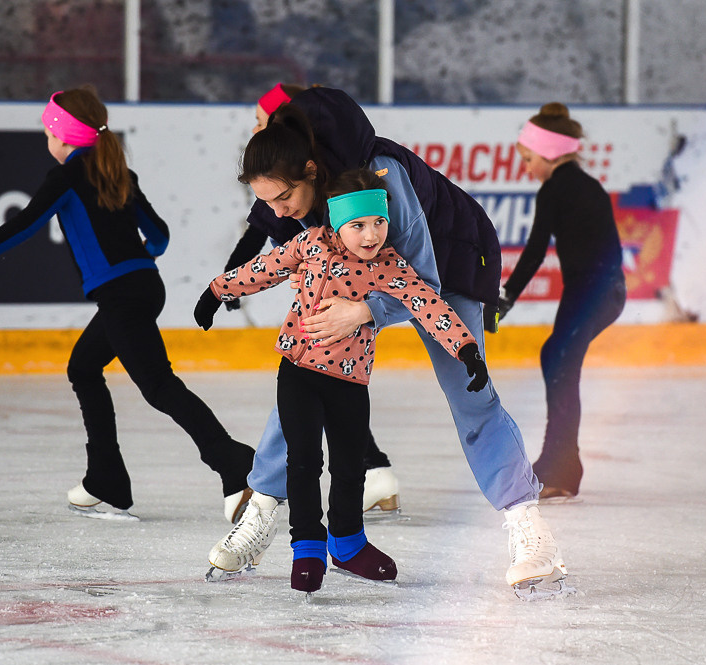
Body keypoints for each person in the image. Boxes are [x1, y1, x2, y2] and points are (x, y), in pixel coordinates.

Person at [207, 87, 572, 598]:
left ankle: (529, 530)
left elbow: (424, 280)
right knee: (306, 371)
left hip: (450, 267)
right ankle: (264, 511)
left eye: (285, 199)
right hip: (368, 281)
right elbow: (272, 239)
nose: (281, 212)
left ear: (310, 171)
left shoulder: (382, 172)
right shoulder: (290, 188)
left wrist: (364, 311)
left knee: (470, 392)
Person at [0, 86, 254, 522]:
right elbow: (158, 234)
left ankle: (233, 464)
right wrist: (138, 259)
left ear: (62, 137)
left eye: (48, 132)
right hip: (142, 286)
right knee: (83, 368)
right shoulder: (119, 173)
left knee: (159, 386)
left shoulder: (66, 178)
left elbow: (24, 224)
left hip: (122, 295)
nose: (47, 139)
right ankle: (106, 480)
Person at [197, 168, 489, 594]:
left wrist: (466, 350)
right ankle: (308, 547)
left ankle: (349, 543)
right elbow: (264, 268)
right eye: (358, 225)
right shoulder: (310, 243)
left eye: (379, 222)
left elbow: (429, 304)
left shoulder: (391, 265)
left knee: (351, 467)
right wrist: (218, 290)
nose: (371, 235)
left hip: (350, 382)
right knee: (302, 462)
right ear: (336, 221)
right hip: (297, 375)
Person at [228, 81, 403, 518]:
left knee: (307, 378)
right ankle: (375, 470)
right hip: (335, 305)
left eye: (260, 119)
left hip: (355, 302)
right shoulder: (285, 188)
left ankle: (266, 498)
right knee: (320, 382)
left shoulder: (331, 181)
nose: (255, 128)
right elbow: (264, 227)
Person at [497, 103, 627, 501]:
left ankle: (560, 466)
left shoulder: (556, 189)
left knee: (559, 363)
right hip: (603, 290)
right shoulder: (587, 185)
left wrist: (505, 298)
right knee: (556, 358)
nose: (526, 167)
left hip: (593, 290)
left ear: (550, 152)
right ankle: (560, 462)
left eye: (528, 158)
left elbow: (535, 251)